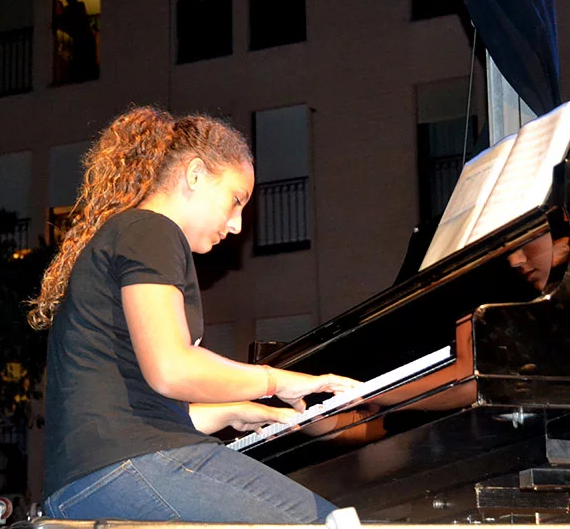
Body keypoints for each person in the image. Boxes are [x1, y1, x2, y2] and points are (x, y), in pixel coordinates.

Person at [27, 106, 359, 522]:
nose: (237, 225)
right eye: (235, 200)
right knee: (332, 523)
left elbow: (144, 403)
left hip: (92, 477)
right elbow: (170, 369)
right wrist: (278, 381)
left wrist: (237, 409)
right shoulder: (151, 230)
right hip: (123, 466)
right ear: (196, 174)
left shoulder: (129, 233)